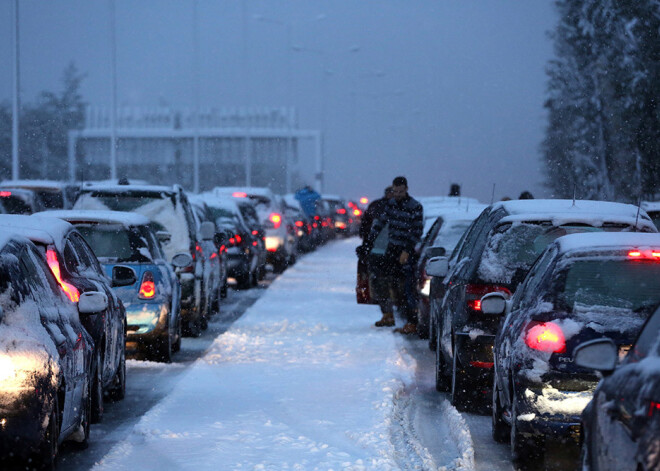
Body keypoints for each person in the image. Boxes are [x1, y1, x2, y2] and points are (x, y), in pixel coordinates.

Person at [367, 176, 424, 333]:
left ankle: (412, 321)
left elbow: (417, 231)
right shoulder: (390, 205)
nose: (398, 194)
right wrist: (369, 241)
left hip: (406, 250)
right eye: (395, 191)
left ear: (406, 189)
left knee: (406, 287)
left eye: (400, 191)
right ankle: (389, 314)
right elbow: (379, 223)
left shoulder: (415, 207)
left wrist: (407, 250)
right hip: (391, 248)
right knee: (386, 282)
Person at [355, 186, 393, 304]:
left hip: (378, 246)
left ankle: (372, 294)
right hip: (378, 246)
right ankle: (372, 294)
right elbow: (366, 225)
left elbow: (365, 224)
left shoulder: (377, 206)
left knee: (372, 272)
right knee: (374, 273)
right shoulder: (381, 207)